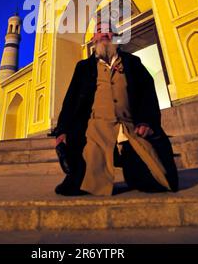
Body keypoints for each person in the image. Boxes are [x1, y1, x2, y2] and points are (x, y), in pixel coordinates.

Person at [54, 22, 179, 196]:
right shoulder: (84, 67)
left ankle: (134, 169)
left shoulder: (132, 62)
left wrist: (146, 121)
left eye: (108, 30)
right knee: (84, 181)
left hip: (129, 126)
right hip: (95, 127)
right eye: (99, 31)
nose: (104, 33)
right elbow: (71, 100)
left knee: (152, 179)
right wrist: (62, 129)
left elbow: (147, 94)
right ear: (93, 39)